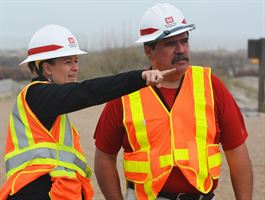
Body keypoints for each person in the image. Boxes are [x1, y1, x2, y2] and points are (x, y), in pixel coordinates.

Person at [94, 3, 253, 200]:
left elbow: (236, 151)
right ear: (149, 51)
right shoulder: (126, 92)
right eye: (170, 43)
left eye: (185, 41)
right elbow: (104, 156)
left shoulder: (211, 85)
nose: (181, 50)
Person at [0, 24, 175, 200]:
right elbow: (87, 92)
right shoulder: (37, 95)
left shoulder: (49, 104)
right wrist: (139, 77)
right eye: (68, 62)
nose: (75, 67)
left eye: (76, 61)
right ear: (46, 68)